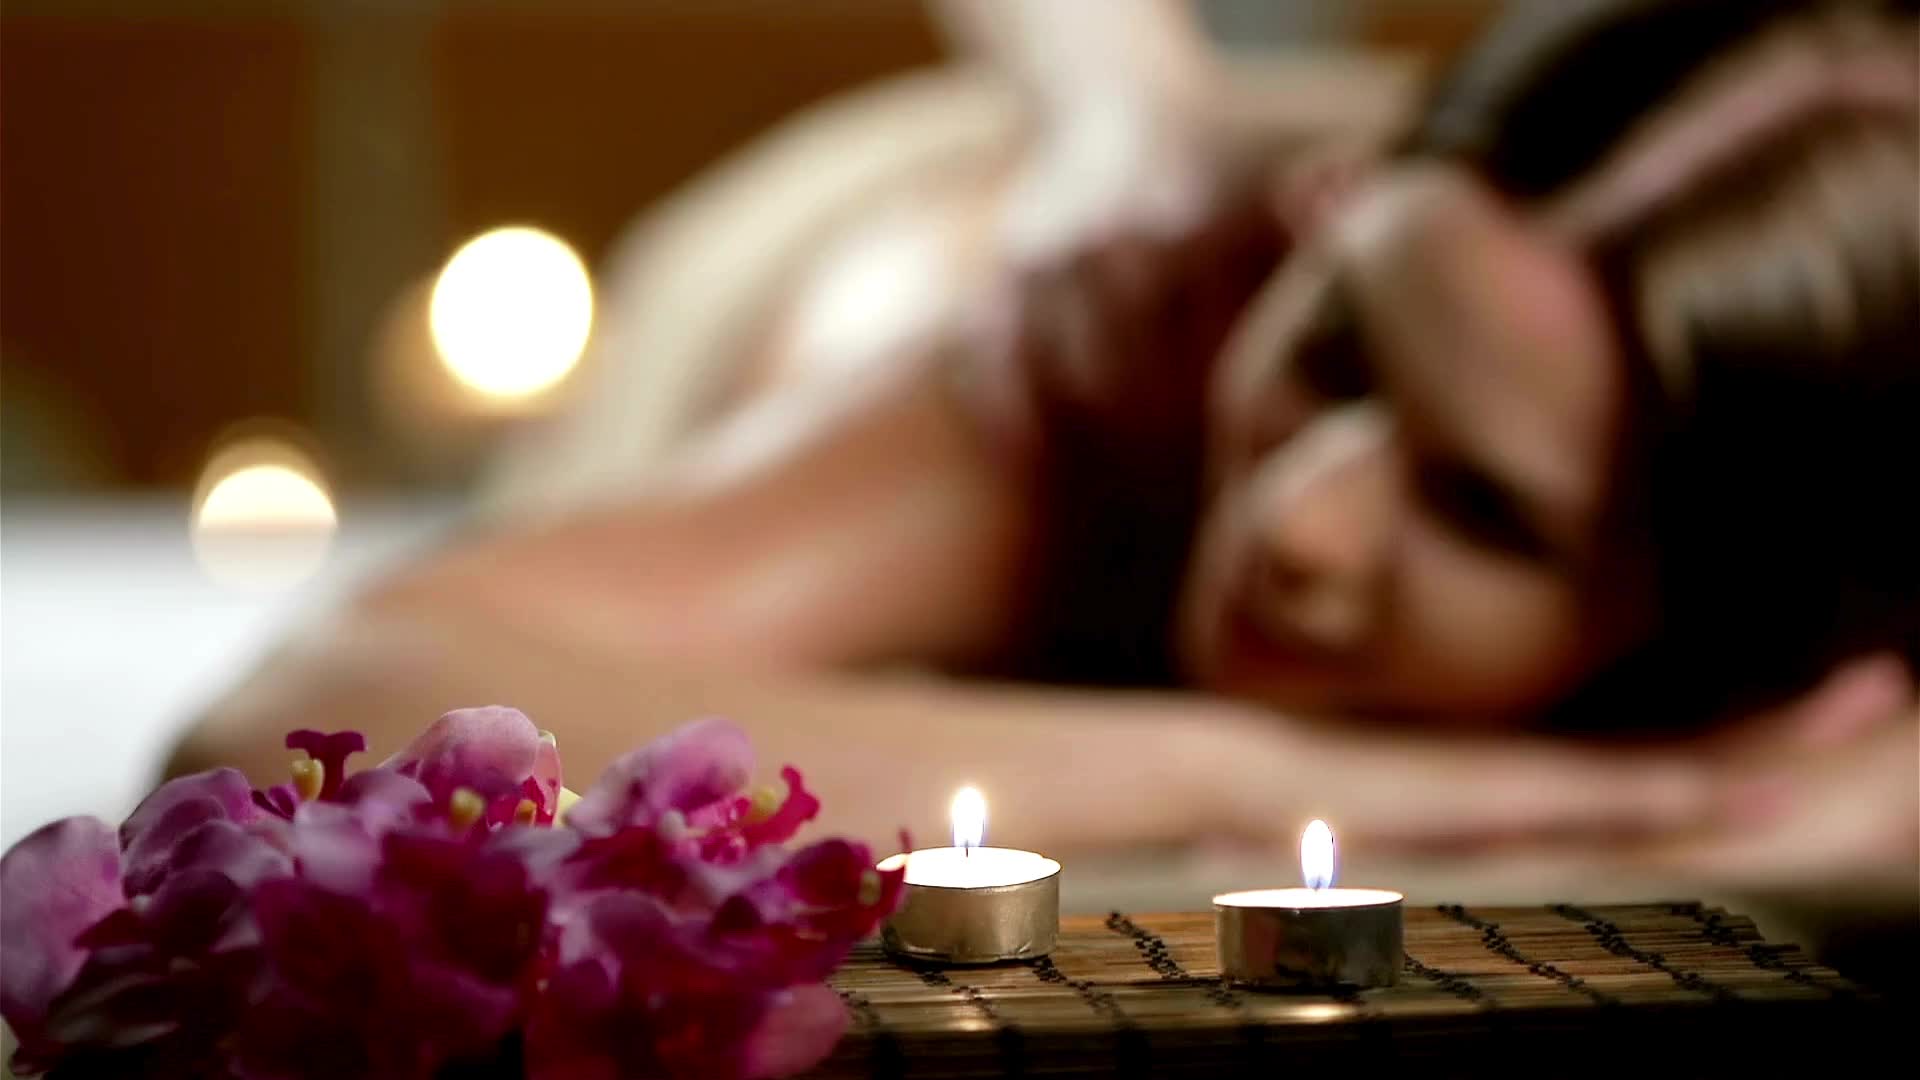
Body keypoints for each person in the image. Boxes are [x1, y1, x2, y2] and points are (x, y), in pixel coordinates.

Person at [173, 0, 1917, 903]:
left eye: (1479, 509)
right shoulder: (1096, 356)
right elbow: (309, 724)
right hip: (813, 250)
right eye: (1333, 349)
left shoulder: (1805, 565)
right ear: (1323, 221)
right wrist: (1286, 779)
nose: (1303, 522)